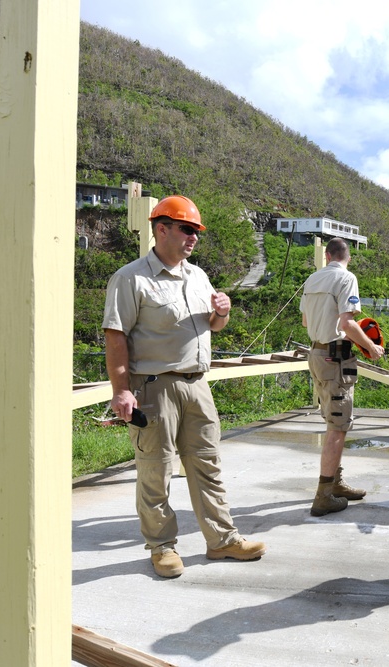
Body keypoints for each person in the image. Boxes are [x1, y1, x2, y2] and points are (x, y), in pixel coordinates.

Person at [103, 194, 266, 578]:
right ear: (162, 229)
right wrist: (122, 390)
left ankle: (222, 540)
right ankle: (162, 547)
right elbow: (115, 336)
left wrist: (220, 313)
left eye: (196, 232)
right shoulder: (131, 278)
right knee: (155, 469)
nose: (193, 238)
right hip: (154, 386)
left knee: (207, 465)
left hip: (197, 385)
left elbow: (212, 326)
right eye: (187, 230)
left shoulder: (198, 276)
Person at [300, 237, 384, 516]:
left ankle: (335, 483)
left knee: (332, 420)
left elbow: (305, 322)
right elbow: (346, 323)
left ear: (327, 256)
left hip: (316, 355)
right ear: (347, 257)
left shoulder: (312, 279)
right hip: (335, 359)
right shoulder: (346, 278)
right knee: (338, 427)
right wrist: (371, 347)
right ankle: (324, 495)